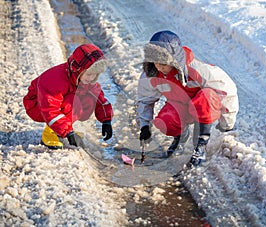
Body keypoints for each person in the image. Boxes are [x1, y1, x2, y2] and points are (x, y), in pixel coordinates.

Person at [136, 30, 239, 167]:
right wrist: (144, 126)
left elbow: (226, 89)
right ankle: (180, 137)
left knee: (206, 98)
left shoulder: (197, 69)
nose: (160, 67)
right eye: (156, 63)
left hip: (203, 107)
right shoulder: (152, 74)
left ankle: (200, 145)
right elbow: (145, 100)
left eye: (164, 63)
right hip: (180, 107)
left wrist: (227, 124)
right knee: (166, 120)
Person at [23, 43, 113, 149]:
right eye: (89, 74)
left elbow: (100, 99)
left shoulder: (84, 80)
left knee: (88, 99)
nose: (91, 77)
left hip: (54, 104)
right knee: (72, 102)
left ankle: (61, 128)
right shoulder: (55, 80)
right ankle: (50, 133)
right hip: (37, 104)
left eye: (95, 74)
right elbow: (50, 108)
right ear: (78, 69)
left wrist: (106, 120)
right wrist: (68, 132)